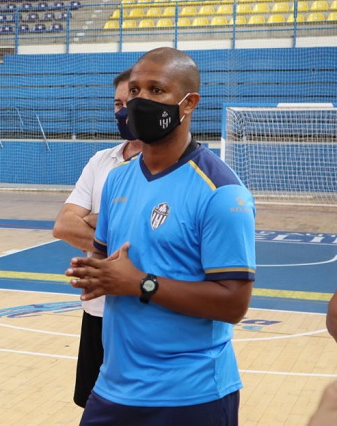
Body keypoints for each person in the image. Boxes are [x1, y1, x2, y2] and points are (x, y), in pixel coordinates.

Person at [66, 47, 256, 426]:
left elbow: (234, 304)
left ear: (189, 104)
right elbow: (110, 265)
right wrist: (96, 274)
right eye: (135, 91)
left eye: (157, 91)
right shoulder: (117, 178)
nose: (140, 101)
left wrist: (141, 284)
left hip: (191, 394)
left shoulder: (222, 193)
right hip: (113, 387)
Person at [52, 68, 142, 408]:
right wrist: (114, 226)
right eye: (117, 103)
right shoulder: (101, 160)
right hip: (97, 309)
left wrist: (91, 219)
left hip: (141, 310)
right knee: (94, 407)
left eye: (130, 102)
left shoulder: (171, 167)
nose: (123, 111)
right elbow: (63, 226)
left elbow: (144, 235)